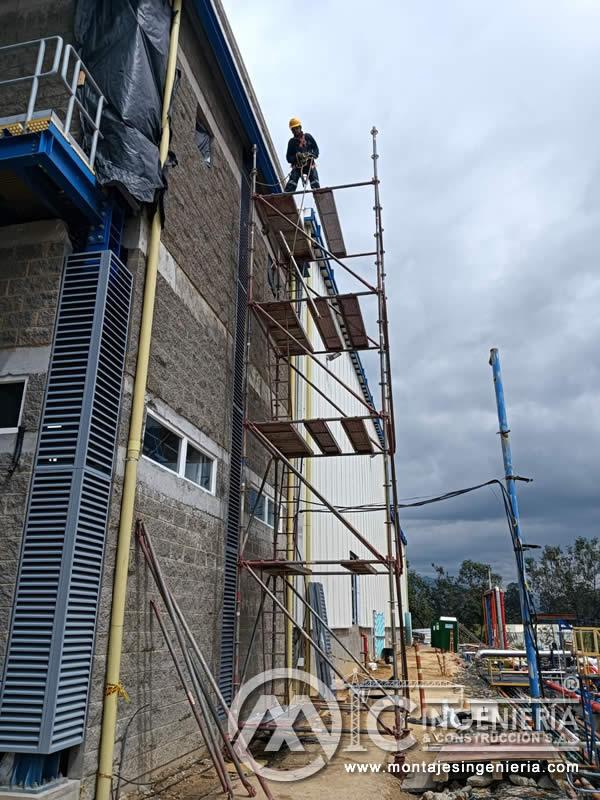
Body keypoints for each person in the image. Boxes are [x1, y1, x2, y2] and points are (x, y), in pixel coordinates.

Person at [284, 117, 320, 192]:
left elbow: (316, 150)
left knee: (315, 182)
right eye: (293, 129)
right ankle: (285, 198)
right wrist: (296, 157)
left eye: (296, 128)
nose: (295, 131)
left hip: (309, 165)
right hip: (298, 166)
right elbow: (288, 158)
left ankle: (319, 196)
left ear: (300, 127)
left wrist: (310, 154)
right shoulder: (292, 142)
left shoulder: (308, 137)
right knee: (292, 182)